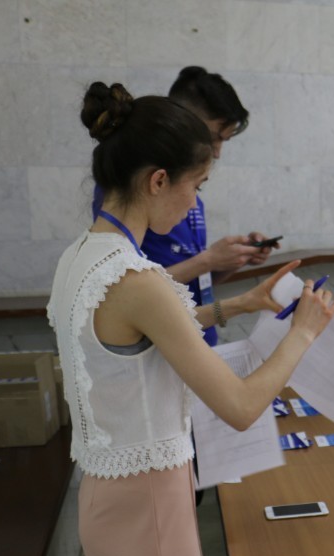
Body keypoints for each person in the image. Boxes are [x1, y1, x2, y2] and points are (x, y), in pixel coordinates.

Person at [48, 81, 334, 556]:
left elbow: (134, 340)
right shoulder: (140, 279)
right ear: (158, 180)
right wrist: (302, 331)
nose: (194, 203)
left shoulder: (82, 257)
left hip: (111, 499)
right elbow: (240, 405)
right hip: (150, 506)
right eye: (196, 186)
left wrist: (238, 304)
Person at [93, 65, 274, 348]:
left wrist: (230, 261)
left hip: (194, 334)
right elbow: (136, 290)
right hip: (165, 348)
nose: (216, 152)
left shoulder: (181, 193)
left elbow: (182, 288)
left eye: (198, 187)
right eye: (215, 136)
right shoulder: (127, 198)